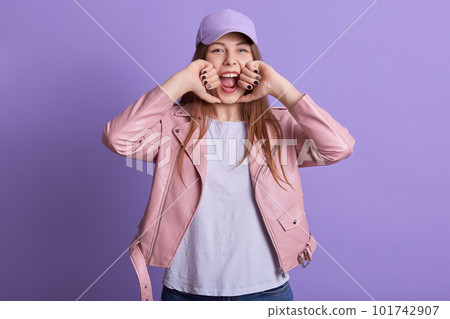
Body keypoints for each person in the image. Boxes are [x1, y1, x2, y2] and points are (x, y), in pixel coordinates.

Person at [101, 8, 355, 301]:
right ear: (201, 61)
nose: (231, 60)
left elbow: (339, 146)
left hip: (266, 290)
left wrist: (281, 88)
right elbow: (117, 137)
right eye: (218, 49)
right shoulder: (172, 126)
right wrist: (181, 81)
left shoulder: (279, 127)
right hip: (186, 292)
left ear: (256, 62)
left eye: (242, 50)